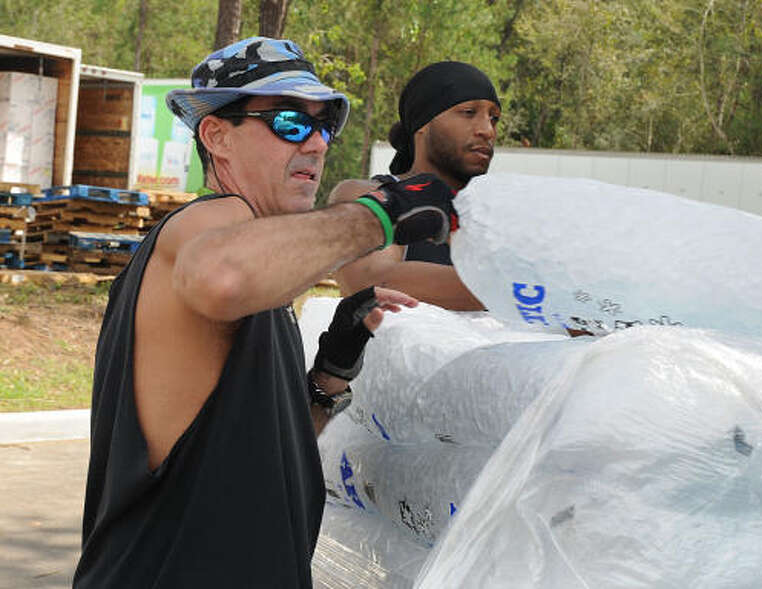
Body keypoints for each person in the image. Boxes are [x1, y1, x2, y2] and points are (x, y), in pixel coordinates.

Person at [73, 37, 458, 589]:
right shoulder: (209, 223)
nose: (318, 145)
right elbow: (221, 274)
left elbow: (260, 462)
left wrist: (330, 371)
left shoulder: (262, 279)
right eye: (290, 123)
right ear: (216, 135)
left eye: (325, 127)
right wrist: (384, 212)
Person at [330, 61, 502, 311]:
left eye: (494, 118)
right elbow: (373, 279)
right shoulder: (369, 195)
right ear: (423, 123)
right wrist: (525, 291)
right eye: (468, 112)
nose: (487, 130)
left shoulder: (495, 217)